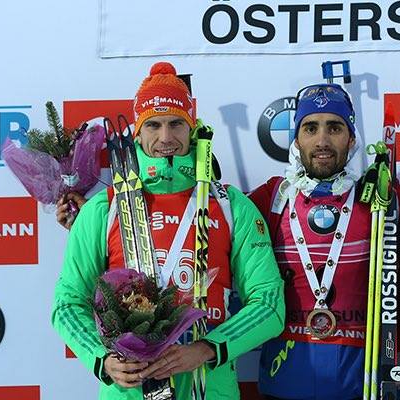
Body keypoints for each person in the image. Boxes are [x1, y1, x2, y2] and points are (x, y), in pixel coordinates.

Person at [51, 61, 285, 400]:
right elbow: (67, 304)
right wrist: (103, 360)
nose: (165, 138)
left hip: (209, 385)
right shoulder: (104, 209)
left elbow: (270, 304)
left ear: (192, 127)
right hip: (129, 388)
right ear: (137, 132)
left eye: (176, 123)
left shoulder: (231, 206)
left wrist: (208, 348)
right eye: (154, 125)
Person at [248, 83, 371, 400]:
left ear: (352, 138)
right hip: (283, 381)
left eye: (335, 127)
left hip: (357, 384)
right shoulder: (270, 198)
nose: (322, 140)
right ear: (296, 140)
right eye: (310, 128)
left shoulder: (377, 199)